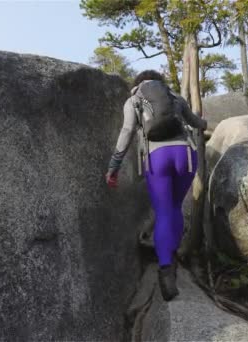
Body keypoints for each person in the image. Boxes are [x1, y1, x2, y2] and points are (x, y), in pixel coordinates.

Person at [105, 70, 207, 301]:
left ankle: (165, 270)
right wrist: (205, 122)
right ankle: (173, 253)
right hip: (185, 156)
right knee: (175, 208)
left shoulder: (133, 100)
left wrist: (114, 166)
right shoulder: (175, 98)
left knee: (162, 213)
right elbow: (194, 122)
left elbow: (127, 131)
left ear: (138, 84)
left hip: (157, 158)